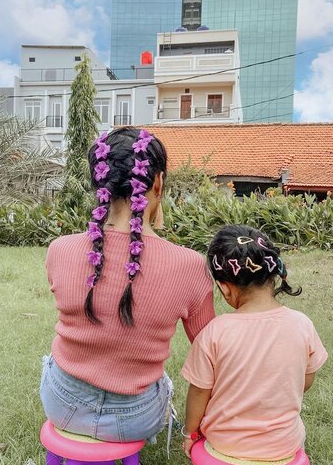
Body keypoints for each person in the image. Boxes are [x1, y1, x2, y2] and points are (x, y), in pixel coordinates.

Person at [41, 127, 215, 443]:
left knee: (51, 360)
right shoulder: (190, 266)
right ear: (158, 183)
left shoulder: (59, 250)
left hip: (61, 405)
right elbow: (210, 349)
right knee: (162, 381)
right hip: (136, 419)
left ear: (99, 185)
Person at [181, 224, 328, 462]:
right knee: (296, 433)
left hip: (224, 442)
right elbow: (306, 380)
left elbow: (199, 391)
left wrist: (190, 431)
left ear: (225, 288)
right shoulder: (302, 324)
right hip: (283, 442)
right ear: (274, 276)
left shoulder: (215, 332)